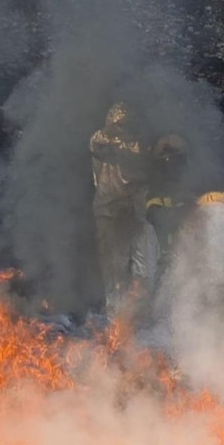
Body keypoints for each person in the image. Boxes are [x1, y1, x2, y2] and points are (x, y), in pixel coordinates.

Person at [90, 102, 151, 316]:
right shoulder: (100, 138)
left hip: (135, 210)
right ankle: (114, 311)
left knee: (141, 261)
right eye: (119, 123)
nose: (124, 127)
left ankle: (138, 310)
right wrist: (113, 138)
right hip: (108, 210)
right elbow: (99, 150)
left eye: (127, 123)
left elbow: (137, 164)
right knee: (111, 262)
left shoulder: (139, 144)